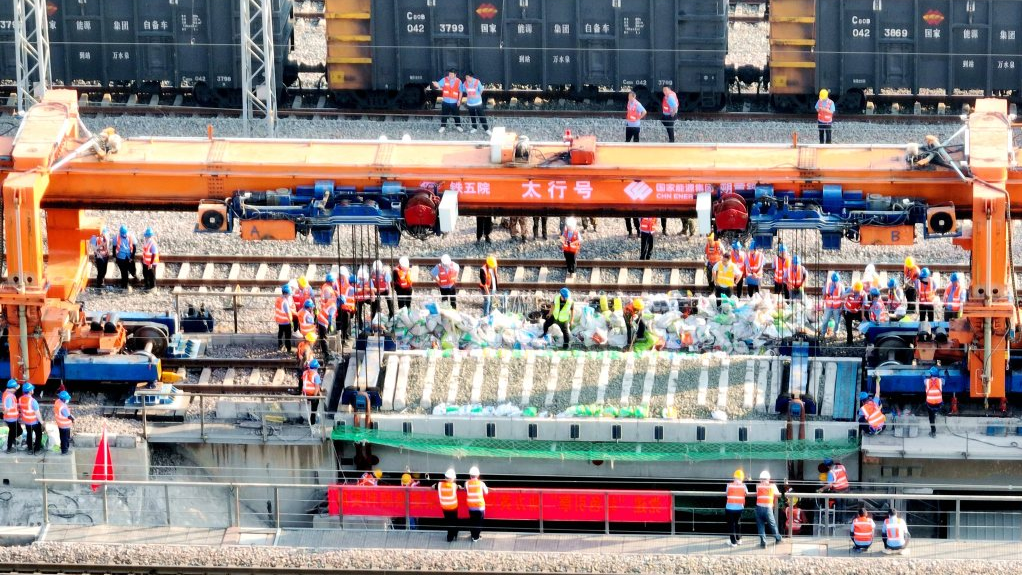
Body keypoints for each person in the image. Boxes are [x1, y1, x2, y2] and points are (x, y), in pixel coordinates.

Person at [755, 470, 783, 548]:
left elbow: (757, 493)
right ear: (769, 478)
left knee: (760, 525)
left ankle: (763, 542)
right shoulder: (772, 486)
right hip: (768, 508)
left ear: (760, 479)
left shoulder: (758, 485)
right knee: (772, 524)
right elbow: (777, 494)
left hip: (759, 508)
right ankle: (778, 538)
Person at [433, 69, 463, 133]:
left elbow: (460, 92)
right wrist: (436, 84)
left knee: (456, 115)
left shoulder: (459, 81)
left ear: (455, 75)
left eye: (451, 74)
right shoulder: (444, 79)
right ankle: (443, 127)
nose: (450, 75)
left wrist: (459, 100)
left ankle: (458, 126)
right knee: (444, 114)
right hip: (445, 101)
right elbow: (439, 85)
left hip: (454, 102)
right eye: (449, 74)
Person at [436, 468, 462, 542]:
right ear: (451, 478)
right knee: (454, 521)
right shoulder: (454, 485)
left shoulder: (439, 484)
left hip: (444, 507)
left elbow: (432, 486)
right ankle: (454, 535)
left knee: (448, 522)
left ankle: (450, 537)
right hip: (453, 507)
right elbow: (459, 487)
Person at [465, 466, 489, 541]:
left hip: (471, 506)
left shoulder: (466, 483)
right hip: (479, 506)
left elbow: (466, 490)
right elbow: (486, 492)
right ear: (478, 475)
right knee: (479, 522)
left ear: (470, 475)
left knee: (472, 521)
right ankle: (476, 537)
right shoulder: (481, 483)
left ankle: (473, 535)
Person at [725, 469, 748, 547]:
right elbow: (746, 493)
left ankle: (733, 542)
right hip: (739, 508)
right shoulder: (744, 486)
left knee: (731, 525)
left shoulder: (729, 485)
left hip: (729, 508)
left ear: (734, 477)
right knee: (737, 523)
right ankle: (739, 539)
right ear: (742, 478)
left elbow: (726, 493)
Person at [19, 383, 42, 454]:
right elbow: (37, 413)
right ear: (30, 391)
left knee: (29, 434)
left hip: (26, 421)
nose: (33, 390)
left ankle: (29, 449)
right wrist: (41, 421)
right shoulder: (33, 401)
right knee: (38, 434)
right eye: (32, 389)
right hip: (34, 422)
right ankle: (37, 450)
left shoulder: (20, 399)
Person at [113, 225, 137, 291]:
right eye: (122, 234)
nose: (123, 235)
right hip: (121, 257)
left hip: (129, 256)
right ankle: (125, 285)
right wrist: (115, 257)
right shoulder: (116, 237)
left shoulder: (131, 236)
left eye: (124, 234)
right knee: (124, 272)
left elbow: (134, 247)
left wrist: (132, 257)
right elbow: (114, 247)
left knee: (132, 268)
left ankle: (134, 275)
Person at [821, 272, 844, 337]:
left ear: (838, 280)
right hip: (828, 307)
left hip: (837, 308)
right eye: (833, 281)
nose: (834, 283)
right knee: (825, 320)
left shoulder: (841, 287)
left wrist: (842, 307)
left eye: (836, 281)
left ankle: (835, 334)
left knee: (837, 321)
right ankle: (823, 334)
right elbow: (824, 295)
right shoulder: (827, 286)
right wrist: (822, 304)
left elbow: (843, 299)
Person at [316, 288, 336, 361]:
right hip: (323, 322)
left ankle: (324, 352)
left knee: (322, 337)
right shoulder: (333, 306)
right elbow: (330, 316)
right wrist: (329, 325)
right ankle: (326, 354)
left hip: (320, 319)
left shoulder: (331, 302)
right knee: (324, 338)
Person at [842, 281, 865, 346]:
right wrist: (849, 294)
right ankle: (849, 340)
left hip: (857, 311)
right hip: (849, 311)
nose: (857, 292)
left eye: (858, 291)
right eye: (856, 290)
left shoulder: (863, 293)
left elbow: (863, 305)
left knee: (864, 322)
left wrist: (863, 315)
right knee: (848, 326)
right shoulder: (850, 289)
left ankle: (864, 335)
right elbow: (842, 296)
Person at [274, 285, 295, 352]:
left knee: (280, 333)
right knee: (287, 336)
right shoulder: (285, 302)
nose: (289, 295)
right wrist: (291, 322)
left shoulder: (278, 299)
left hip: (279, 321)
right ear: (286, 294)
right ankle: (288, 348)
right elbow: (288, 313)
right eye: (289, 294)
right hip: (286, 321)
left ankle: (280, 346)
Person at [924, 367, 944, 438]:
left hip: (930, 403)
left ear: (930, 374)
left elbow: (924, 379)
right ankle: (935, 413)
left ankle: (933, 432)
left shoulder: (926, 381)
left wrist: (924, 375)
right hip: (939, 403)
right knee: (934, 413)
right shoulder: (941, 381)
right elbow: (944, 379)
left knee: (931, 418)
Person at [53, 390, 74, 455]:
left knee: (62, 437)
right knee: (65, 438)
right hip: (65, 425)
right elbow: (68, 416)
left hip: (60, 424)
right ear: (64, 399)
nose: (68, 400)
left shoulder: (57, 401)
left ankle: (63, 448)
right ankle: (64, 451)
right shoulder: (63, 408)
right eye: (67, 399)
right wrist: (73, 419)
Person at [302, 358, 322, 425]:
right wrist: (315, 397)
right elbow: (316, 387)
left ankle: (312, 420)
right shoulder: (316, 375)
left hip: (306, 394)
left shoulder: (305, 373)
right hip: (312, 394)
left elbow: (304, 383)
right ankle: (313, 423)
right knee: (314, 409)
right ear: (316, 368)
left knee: (312, 409)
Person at [338, 275, 355, 348]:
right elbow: (359, 290)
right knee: (345, 326)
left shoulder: (346, 287)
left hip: (345, 309)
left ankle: (345, 337)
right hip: (346, 309)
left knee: (345, 325)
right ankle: (343, 341)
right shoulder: (350, 288)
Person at [3, 379, 19, 454]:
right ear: (12, 388)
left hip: (10, 418)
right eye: (15, 388)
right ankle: (9, 449)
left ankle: (12, 440)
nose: (16, 389)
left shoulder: (6, 392)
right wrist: (3, 414)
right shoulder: (9, 397)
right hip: (11, 418)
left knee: (15, 432)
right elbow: (8, 409)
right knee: (14, 432)